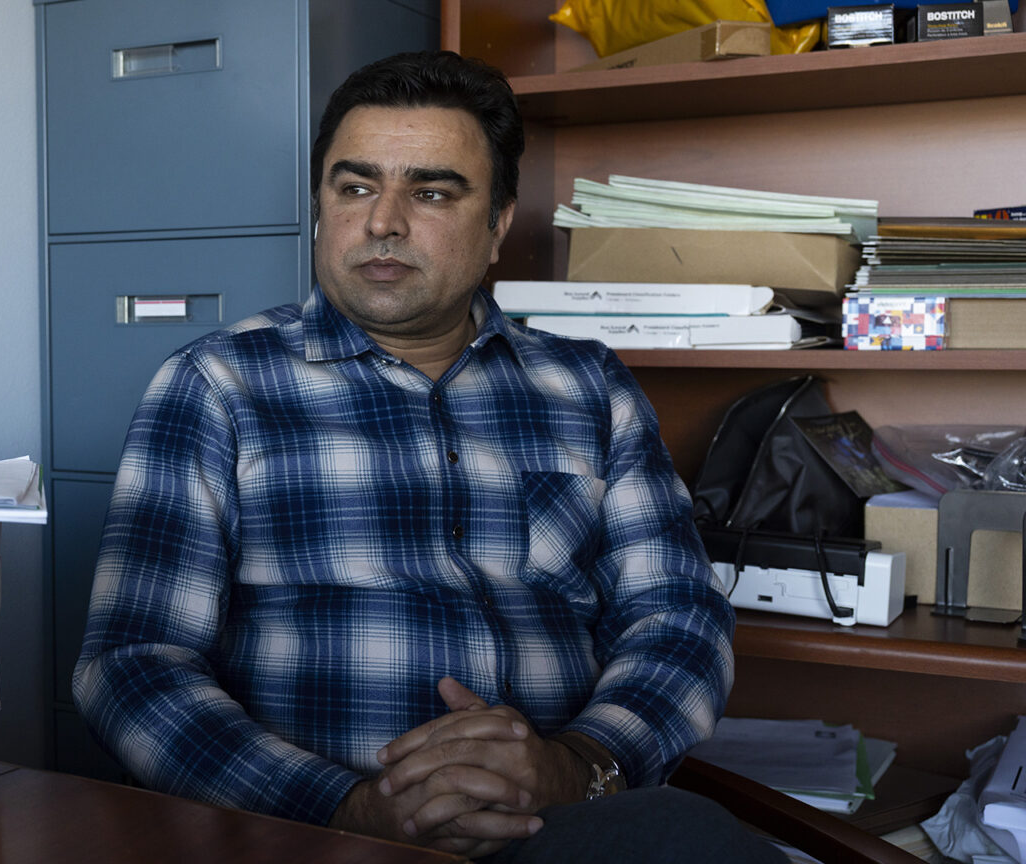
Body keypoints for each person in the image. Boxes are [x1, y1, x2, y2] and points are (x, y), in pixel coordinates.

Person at [74, 50, 784, 863]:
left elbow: (681, 620)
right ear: (320, 207)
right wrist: (349, 808)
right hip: (309, 834)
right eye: (355, 186)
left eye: (433, 191)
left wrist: (576, 766)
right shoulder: (218, 386)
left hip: (557, 828)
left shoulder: (588, 387)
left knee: (686, 837)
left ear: (499, 225)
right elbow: (130, 666)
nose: (383, 221)